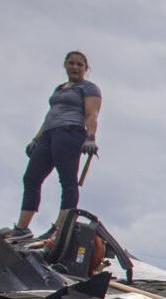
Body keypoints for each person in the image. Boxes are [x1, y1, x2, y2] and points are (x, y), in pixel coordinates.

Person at [3, 51, 102, 244]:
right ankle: (22, 229)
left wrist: (90, 137)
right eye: (71, 63)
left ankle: (60, 228)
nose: (75, 67)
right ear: (65, 65)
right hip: (49, 133)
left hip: (70, 133)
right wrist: (36, 138)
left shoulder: (89, 88)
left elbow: (92, 114)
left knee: (67, 180)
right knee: (31, 178)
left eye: (80, 65)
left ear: (86, 69)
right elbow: (50, 115)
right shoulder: (60, 89)